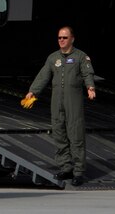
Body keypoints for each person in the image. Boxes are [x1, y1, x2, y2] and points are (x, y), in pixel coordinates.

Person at [24, 26, 95, 186]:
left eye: (64, 37)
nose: (61, 40)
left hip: (73, 101)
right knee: (59, 133)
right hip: (57, 102)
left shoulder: (80, 57)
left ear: (72, 39)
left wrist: (90, 87)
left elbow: (87, 73)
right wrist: (33, 91)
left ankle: (78, 172)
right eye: (59, 38)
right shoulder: (52, 58)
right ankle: (66, 167)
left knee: (75, 134)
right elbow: (43, 76)